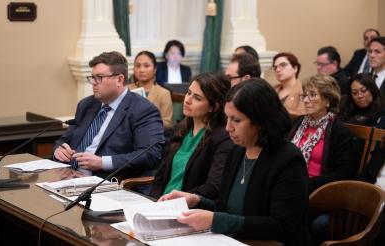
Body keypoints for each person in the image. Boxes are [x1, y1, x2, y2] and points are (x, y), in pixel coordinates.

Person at [160, 78, 311, 245]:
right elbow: (227, 209)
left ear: (261, 121)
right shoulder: (237, 152)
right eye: (227, 118)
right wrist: (196, 200)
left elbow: (282, 226)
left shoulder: (288, 160)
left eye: (236, 120)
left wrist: (215, 220)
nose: (228, 127)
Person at [53, 51, 165, 179]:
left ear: (119, 79)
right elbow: (64, 140)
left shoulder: (143, 110)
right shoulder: (87, 105)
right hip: (68, 175)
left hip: (106, 181)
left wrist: (102, 162)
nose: (94, 83)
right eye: (92, 77)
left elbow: (151, 154)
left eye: (99, 77)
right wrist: (59, 150)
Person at [150, 72, 234, 200]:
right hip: (161, 206)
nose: (187, 100)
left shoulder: (222, 138)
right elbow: (160, 178)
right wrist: (153, 203)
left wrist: (179, 200)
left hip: (188, 209)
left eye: (197, 98)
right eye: (188, 93)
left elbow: (213, 187)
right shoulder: (180, 130)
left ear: (214, 107)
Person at [289, 74, 356, 193]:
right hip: (289, 181)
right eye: (304, 96)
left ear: (328, 100)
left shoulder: (339, 131)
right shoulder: (299, 122)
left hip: (317, 190)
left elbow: (345, 172)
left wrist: (310, 183)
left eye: (312, 95)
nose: (305, 100)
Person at [128, 51, 173, 129]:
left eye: (146, 66)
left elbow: (168, 124)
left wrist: (148, 121)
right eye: (137, 66)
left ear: (155, 69)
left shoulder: (164, 93)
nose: (141, 70)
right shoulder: (126, 90)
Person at [272, 52, 305, 119]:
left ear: (295, 68)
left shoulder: (304, 90)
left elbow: (304, 116)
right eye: (275, 67)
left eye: (283, 65)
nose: (278, 70)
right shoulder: (272, 90)